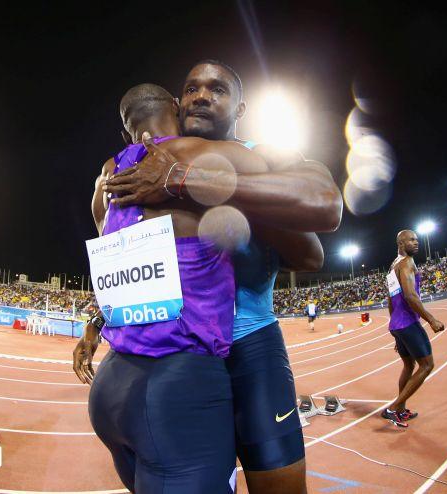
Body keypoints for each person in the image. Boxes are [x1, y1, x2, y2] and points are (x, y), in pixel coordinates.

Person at [103, 60, 342, 494]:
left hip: (249, 345)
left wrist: (186, 182)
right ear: (176, 104)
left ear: (241, 107)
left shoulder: (260, 154)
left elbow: (321, 219)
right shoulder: (143, 165)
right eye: (191, 88)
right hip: (175, 357)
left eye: (216, 89)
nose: (201, 96)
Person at [383, 230, 445, 428]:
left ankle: (400, 410)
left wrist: (395, 330)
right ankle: (394, 408)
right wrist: (431, 319)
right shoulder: (407, 263)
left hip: (398, 324)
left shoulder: (393, 265)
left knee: (409, 366)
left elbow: (390, 300)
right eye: (412, 240)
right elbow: (410, 296)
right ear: (401, 242)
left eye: (417, 239)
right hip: (408, 323)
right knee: (427, 365)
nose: (416, 243)